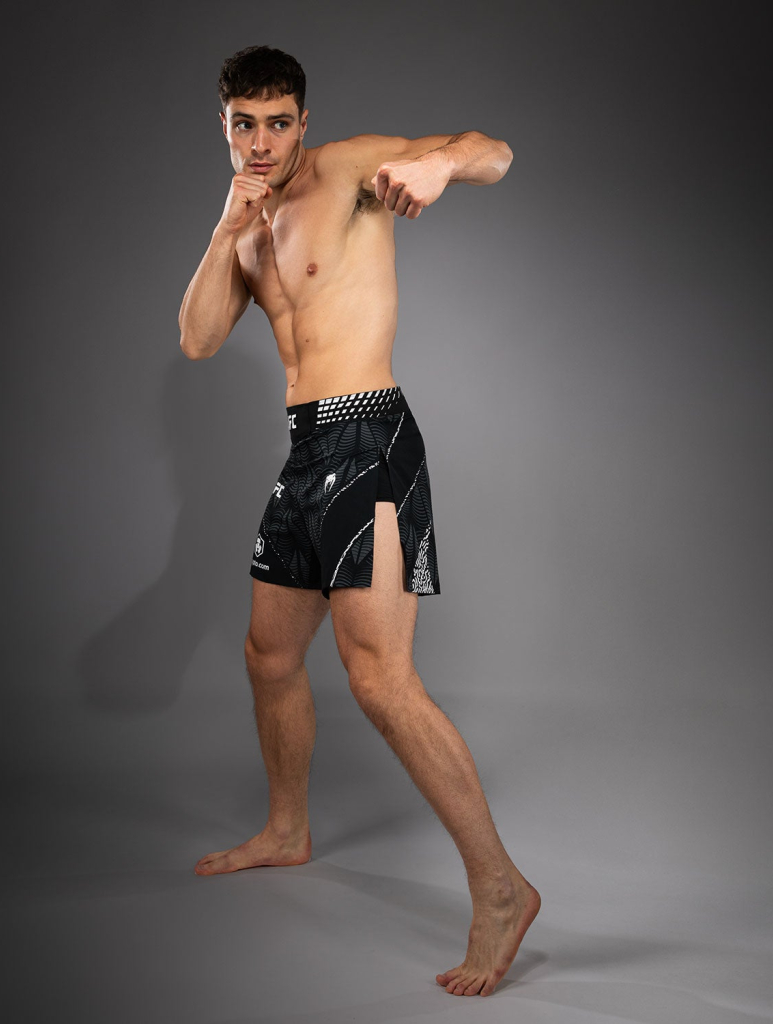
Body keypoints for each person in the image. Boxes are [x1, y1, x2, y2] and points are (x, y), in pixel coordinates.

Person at [178, 44, 539, 998]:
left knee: (380, 680)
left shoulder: (346, 173)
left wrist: (440, 165)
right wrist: (225, 229)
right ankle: (287, 828)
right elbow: (199, 339)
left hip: (371, 441)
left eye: (278, 122)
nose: (263, 141)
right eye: (245, 124)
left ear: (304, 121)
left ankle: (502, 888)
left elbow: (494, 151)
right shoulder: (247, 226)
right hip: (305, 454)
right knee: (267, 656)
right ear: (225, 127)